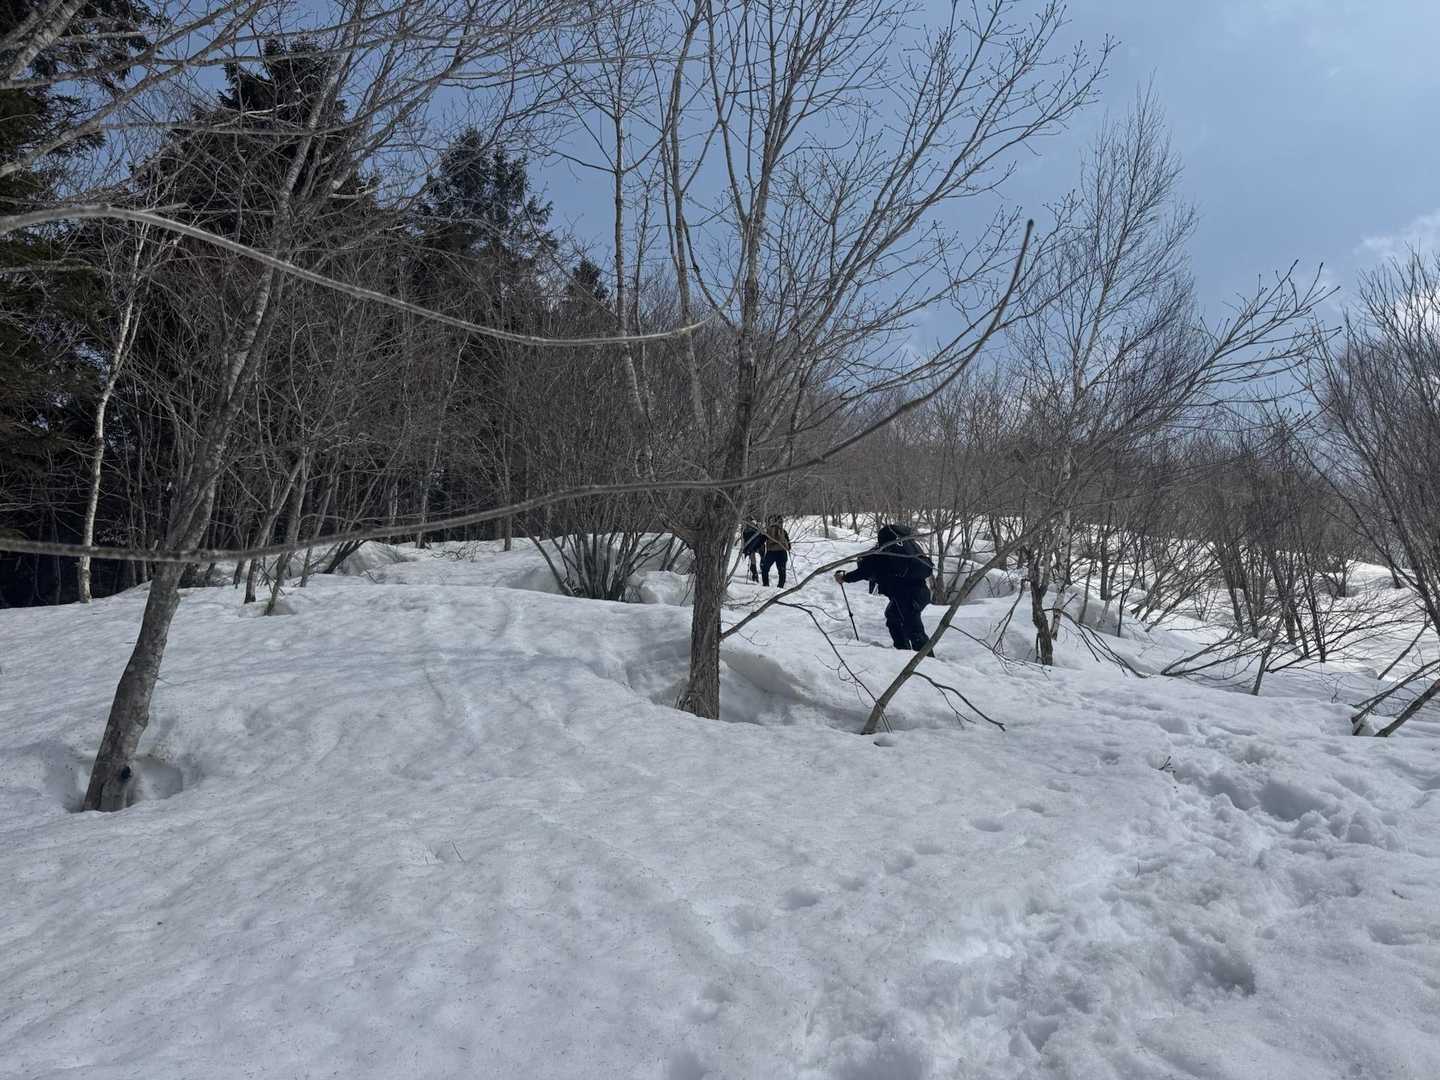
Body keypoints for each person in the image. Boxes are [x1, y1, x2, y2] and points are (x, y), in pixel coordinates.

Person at [834, 523, 933, 651]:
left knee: (914, 632)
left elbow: (865, 571)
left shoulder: (885, 553)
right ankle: (904, 651)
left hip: (906, 596)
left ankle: (925, 660)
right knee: (893, 617)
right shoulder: (909, 546)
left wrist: (845, 578)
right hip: (920, 592)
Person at [760, 515, 791, 587]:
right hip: (782, 553)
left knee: (765, 569)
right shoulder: (784, 532)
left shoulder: (768, 531)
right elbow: (789, 546)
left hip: (771, 553)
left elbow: (761, 541)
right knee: (782, 571)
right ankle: (780, 587)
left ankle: (766, 585)